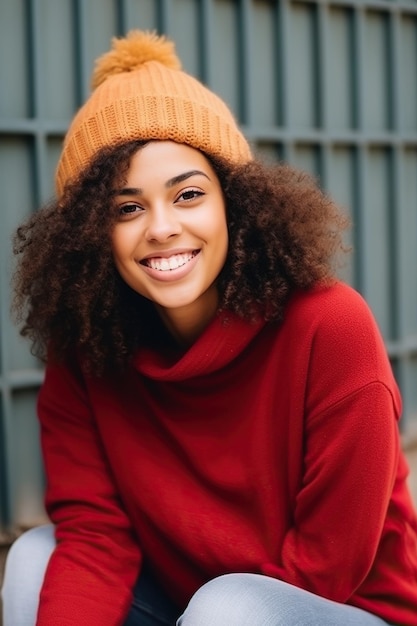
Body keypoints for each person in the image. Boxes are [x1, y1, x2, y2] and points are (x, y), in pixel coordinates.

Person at [1, 29, 417, 626]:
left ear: (236, 203)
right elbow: (95, 537)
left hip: (331, 608)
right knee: (35, 559)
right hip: (192, 608)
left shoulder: (330, 326)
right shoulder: (88, 348)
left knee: (230, 608)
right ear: (91, 235)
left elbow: (328, 566)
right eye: (127, 208)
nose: (162, 227)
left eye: (188, 194)